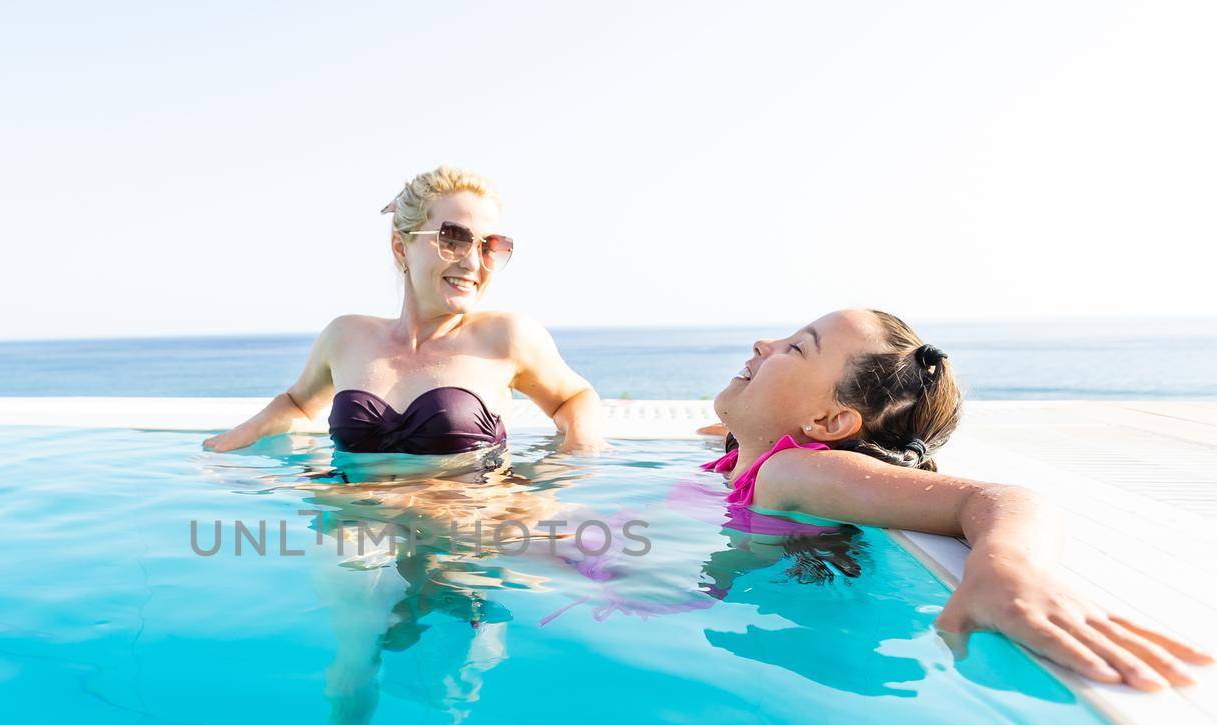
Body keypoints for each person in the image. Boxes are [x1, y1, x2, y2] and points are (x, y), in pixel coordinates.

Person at [703, 308, 1210, 690]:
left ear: (827, 424)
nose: (764, 342)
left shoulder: (793, 471)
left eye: (796, 349)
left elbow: (1002, 498)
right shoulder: (749, 456)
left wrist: (1006, 570)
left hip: (793, 658)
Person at [202, 166, 605, 457]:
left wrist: (577, 451)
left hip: (465, 533)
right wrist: (239, 437)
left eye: (489, 246)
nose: (472, 262)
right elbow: (299, 404)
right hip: (358, 522)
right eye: (453, 238)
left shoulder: (507, 338)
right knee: (342, 572)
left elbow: (574, 398)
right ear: (401, 247)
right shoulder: (345, 337)